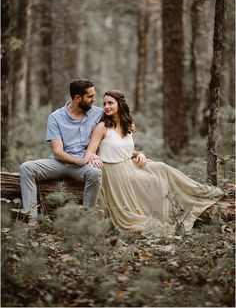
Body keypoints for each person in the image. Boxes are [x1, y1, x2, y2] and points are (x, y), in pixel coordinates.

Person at [85, 90, 224, 235]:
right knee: (152, 180)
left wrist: (139, 154)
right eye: (104, 103)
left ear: (120, 104)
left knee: (161, 167)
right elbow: (90, 152)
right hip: (113, 173)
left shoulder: (130, 127)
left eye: (110, 103)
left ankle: (200, 193)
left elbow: (123, 150)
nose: (106, 106)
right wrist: (94, 157)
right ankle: (164, 215)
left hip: (129, 165)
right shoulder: (102, 127)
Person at [19, 78, 104, 226]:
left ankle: (86, 222)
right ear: (78, 98)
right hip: (59, 163)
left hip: (83, 167)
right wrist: (80, 161)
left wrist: (131, 128)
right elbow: (58, 152)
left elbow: (120, 121)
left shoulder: (98, 113)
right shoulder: (56, 117)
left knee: (95, 173)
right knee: (26, 168)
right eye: (90, 96)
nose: (94, 100)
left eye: (94, 95)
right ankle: (32, 220)